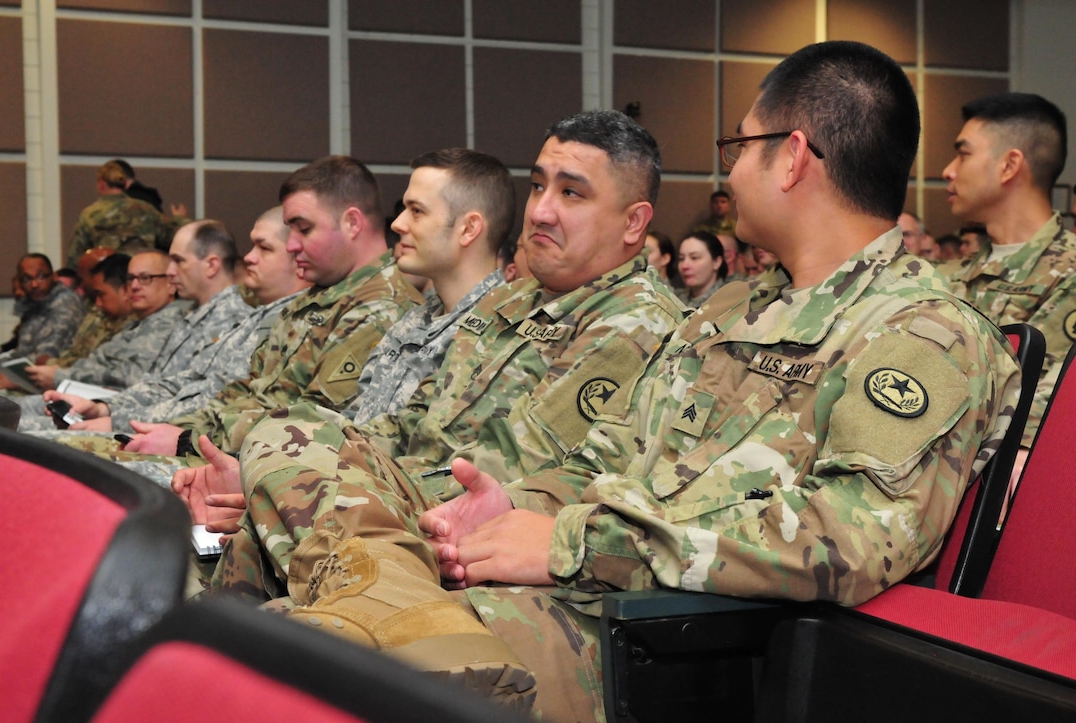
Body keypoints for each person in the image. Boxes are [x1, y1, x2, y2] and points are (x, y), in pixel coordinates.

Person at [179, 42, 1019, 720]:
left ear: (792, 157)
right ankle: (378, 606)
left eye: (738, 148)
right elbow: (614, 461)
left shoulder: (926, 333)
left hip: (654, 639)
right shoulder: (732, 311)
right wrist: (517, 510)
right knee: (243, 615)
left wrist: (575, 541)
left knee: (279, 678)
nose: (726, 175)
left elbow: (848, 542)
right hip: (565, 589)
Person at [173, 110, 687, 709]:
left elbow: (509, 473)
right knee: (278, 451)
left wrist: (331, 485)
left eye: (571, 193)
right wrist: (290, 475)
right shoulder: (514, 303)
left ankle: (376, 605)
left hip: (469, 536)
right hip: (403, 528)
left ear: (633, 223)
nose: (541, 209)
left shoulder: (633, 321)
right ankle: (362, 597)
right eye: (539, 184)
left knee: (268, 632)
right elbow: (413, 427)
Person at [119, 155, 422, 460]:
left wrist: (189, 440)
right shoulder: (318, 298)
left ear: (352, 223)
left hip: (270, 470)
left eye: (303, 229)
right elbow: (250, 389)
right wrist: (179, 429)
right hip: (231, 452)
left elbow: (313, 426)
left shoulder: (382, 308)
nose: (291, 245)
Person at [41, 206, 311, 434]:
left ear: (298, 256)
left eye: (263, 248)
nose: (249, 257)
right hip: (170, 430)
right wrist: (105, 407)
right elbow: (183, 383)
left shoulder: (287, 322)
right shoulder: (256, 317)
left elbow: (216, 404)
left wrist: (115, 420)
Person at [941, 91, 1076, 486]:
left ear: (1009, 165)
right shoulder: (952, 275)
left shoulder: (1068, 273)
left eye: (963, 154)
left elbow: (1033, 425)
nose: (949, 170)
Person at [345, 148, 513, 426]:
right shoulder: (411, 323)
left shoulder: (499, 336)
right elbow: (354, 423)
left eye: (417, 211)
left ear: (468, 229)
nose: (398, 224)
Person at [25, 253, 179, 391]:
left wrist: (61, 376)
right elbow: (95, 361)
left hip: (117, 411)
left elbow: (132, 378)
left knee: (15, 415)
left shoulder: (169, 325)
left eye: (145, 278)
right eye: (130, 279)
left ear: (170, 284)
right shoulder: (137, 325)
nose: (134, 286)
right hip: (90, 398)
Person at [0, 254, 84, 390]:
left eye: (41, 277)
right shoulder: (34, 303)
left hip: (56, 384)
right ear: (19, 282)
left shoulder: (65, 304)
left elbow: (46, 358)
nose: (34, 284)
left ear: (54, 276)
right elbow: (23, 352)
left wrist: (13, 379)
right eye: (27, 279)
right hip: (29, 378)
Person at [65, 161, 177, 268]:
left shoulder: (90, 214)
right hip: (143, 275)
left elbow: (75, 257)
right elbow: (170, 237)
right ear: (125, 184)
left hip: (109, 278)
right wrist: (181, 218)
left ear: (101, 184)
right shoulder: (145, 208)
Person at [675, 230, 728, 307]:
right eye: (681, 258)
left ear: (716, 262)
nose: (684, 266)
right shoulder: (675, 299)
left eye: (694, 258)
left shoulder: (729, 300)